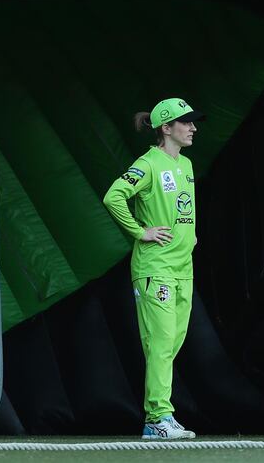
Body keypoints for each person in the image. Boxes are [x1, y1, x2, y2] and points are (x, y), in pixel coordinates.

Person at [102, 98, 204, 440]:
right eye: (185, 122)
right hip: (155, 267)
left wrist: (190, 237)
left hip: (183, 268)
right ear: (166, 127)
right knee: (160, 343)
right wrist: (139, 231)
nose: (192, 128)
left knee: (171, 343)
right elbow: (114, 196)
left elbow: (182, 210)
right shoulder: (147, 164)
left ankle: (156, 419)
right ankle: (159, 417)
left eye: (192, 122)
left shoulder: (186, 165)